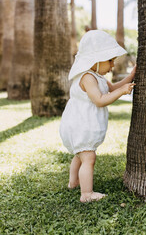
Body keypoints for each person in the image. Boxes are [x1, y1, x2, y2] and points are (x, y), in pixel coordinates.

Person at [59, 30, 136, 203]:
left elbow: (112, 88)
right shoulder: (87, 77)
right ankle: (86, 194)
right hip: (81, 125)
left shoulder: (97, 76)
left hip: (83, 124)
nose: (113, 65)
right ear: (96, 60)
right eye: (110, 61)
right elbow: (100, 100)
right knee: (88, 157)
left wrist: (130, 77)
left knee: (80, 156)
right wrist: (123, 92)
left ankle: (73, 182)